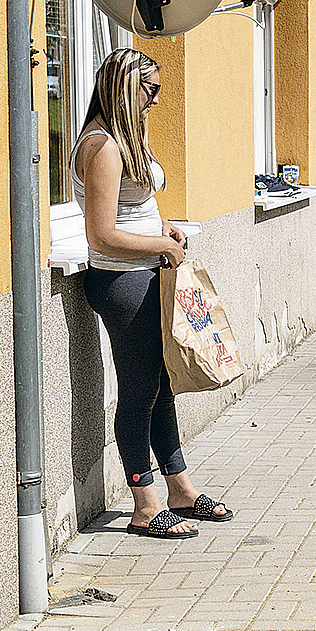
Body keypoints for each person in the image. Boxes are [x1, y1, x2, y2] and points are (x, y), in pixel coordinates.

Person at [73, 49, 231, 535]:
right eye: (151, 89)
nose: (156, 100)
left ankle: (180, 491)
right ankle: (144, 505)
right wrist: (160, 242)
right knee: (140, 390)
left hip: (146, 272)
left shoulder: (124, 139)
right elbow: (101, 235)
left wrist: (164, 227)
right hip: (121, 280)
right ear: (124, 86)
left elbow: (132, 207)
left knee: (161, 385)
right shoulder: (101, 147)